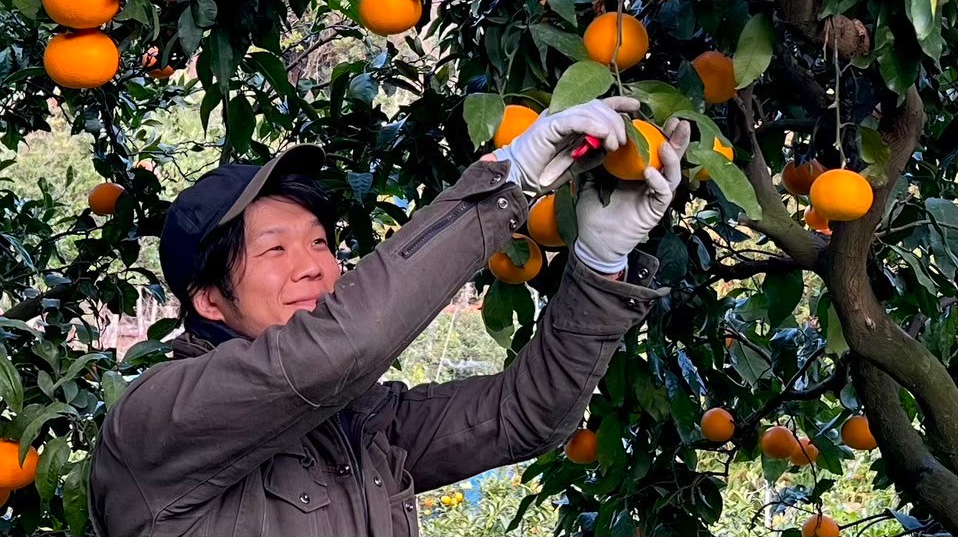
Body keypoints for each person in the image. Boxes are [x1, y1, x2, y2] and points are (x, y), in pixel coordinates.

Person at [89, 96, 686, 537]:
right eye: (275, 249)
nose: (313, 268)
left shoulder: (363, 426)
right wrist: (510, 181)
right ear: (208, 300)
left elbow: (525, 416)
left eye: (320, 243)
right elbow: (337, 350)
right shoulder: (158, 418)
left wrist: (599, 260)